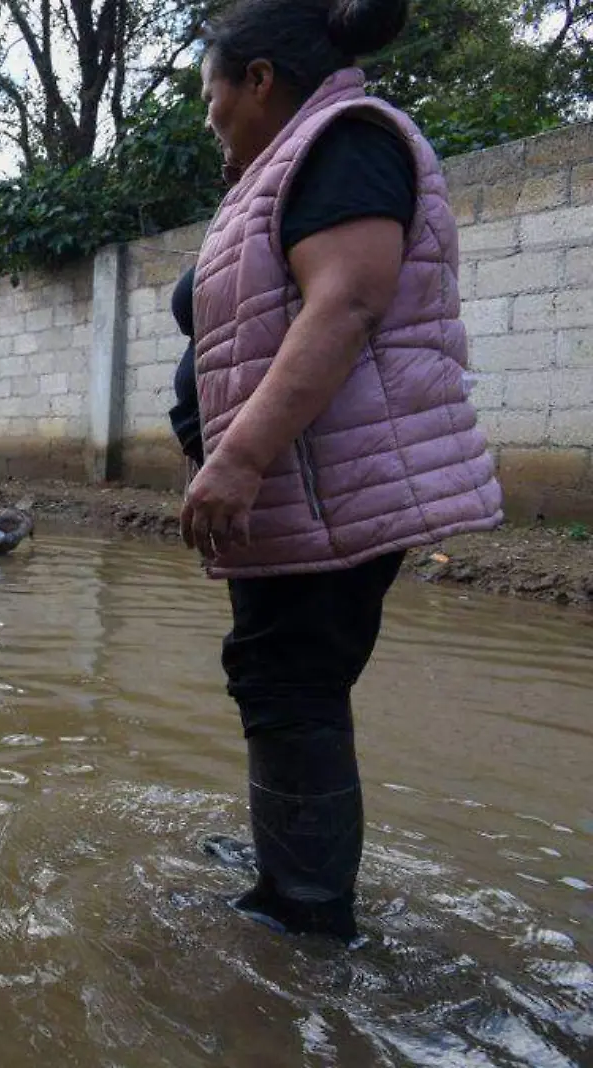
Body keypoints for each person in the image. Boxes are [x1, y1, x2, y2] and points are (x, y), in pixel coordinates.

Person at [180, 0, 502, 943]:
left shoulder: (346, 142)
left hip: (326, 484)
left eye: (212, 96)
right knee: (280, 673)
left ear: (259, 81)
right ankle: (290, 860)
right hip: (303, 492)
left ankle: (307, 916)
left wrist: (237, 455)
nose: (208, 118)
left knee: (293, 679)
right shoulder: (289, 164)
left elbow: (350, 301)